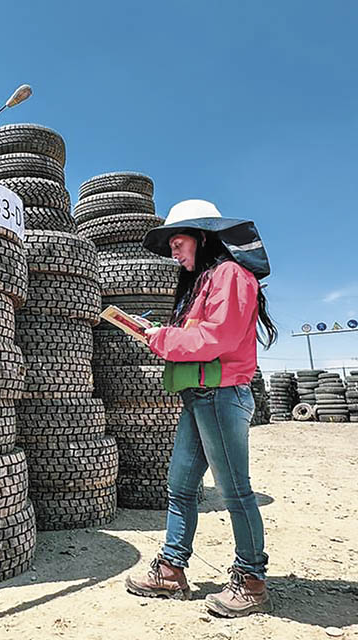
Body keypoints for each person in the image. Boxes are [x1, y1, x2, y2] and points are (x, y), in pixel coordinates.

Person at [123, 199, 277, 618]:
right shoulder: (205, 282)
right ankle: (171, 570)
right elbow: (199, 334)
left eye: (177, 241)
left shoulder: (230, 274)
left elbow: (218, 338)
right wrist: (159, 332)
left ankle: (251, 581)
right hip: (199, 397)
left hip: (222, 396)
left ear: (202, 236)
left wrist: (159, 339)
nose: (173, 252)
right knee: (180, 486)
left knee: (236, 492)